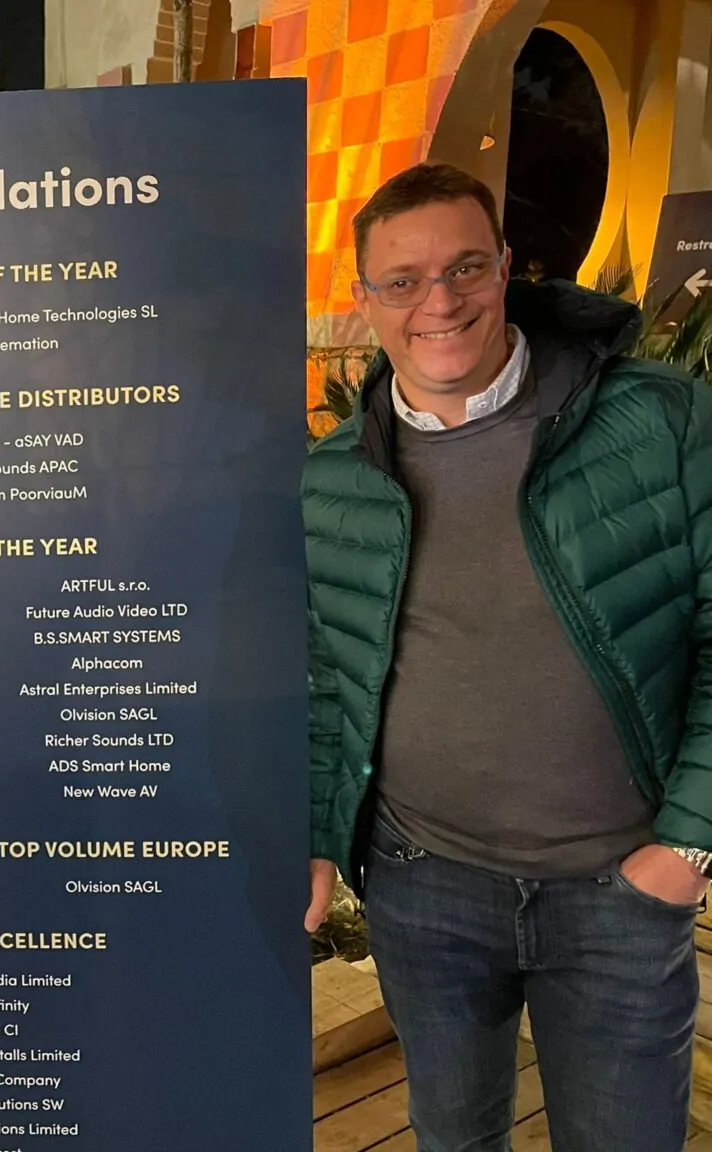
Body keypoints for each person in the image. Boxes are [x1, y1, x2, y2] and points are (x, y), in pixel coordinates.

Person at [302, 161, 712, 1151]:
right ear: (365, 298)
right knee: (450, 1136)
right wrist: (318, 836)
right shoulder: (331, 480)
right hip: (422, 886)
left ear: (505, 267)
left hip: (617, 891)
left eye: (464, 268)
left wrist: (687, 848)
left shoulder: (660, 422)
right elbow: (325, 681)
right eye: (403, 280)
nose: (438, 302)